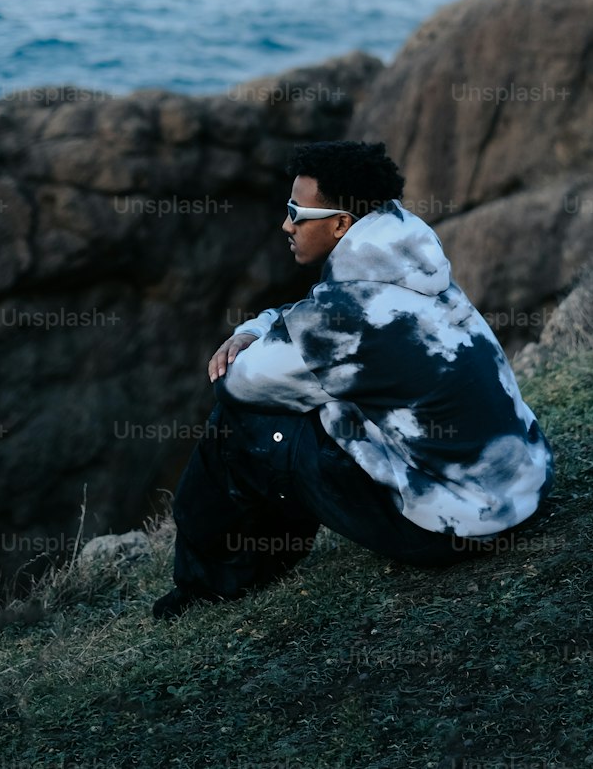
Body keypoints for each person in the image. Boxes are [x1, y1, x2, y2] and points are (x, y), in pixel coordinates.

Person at [152, 140, 554, 619]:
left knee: (244, 422)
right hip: (521, 488)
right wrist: (258, 327)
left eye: (296, 212)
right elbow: (318, 326)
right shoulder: (414, 267)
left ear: (341, 223)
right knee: (315, 397)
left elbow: (238, 383)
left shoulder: (345, 316)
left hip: (453, 530)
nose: (286, 225)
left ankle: (210, 585)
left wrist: (249, 335)